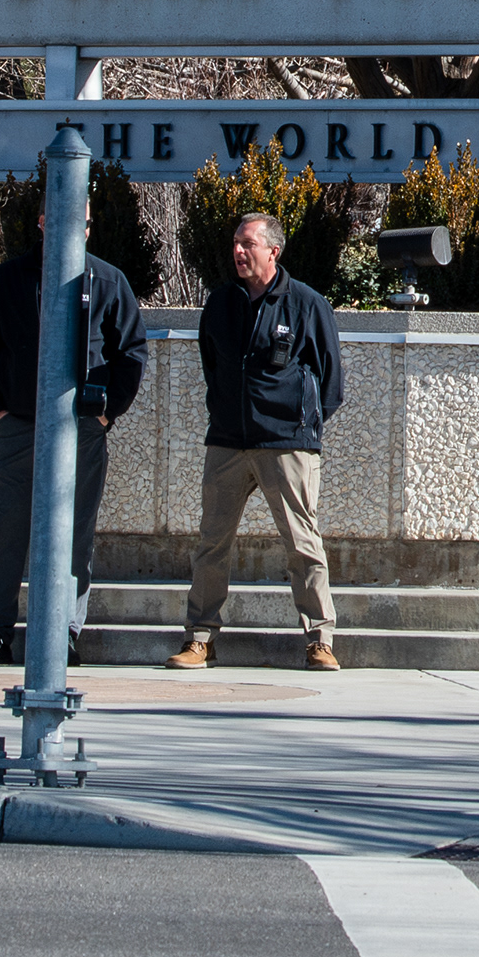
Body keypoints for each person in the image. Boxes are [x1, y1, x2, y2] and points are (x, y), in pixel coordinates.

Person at [0, 208, 150, 668]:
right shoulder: (8, 279)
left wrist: (106, 415)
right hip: (20, 425)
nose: (73, 230)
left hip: (82, 428)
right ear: (41, 221)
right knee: (7, 530)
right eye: (62, 220)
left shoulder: (107, 280)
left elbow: (131, 353)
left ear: (89, 228)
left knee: (75, 531)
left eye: (82, 222)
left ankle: (62, 630)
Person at [174, 210, 343, 670]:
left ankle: (319, 639)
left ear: (274, 250)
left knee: (302, 542)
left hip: (287, 443)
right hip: (228, 441)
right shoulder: (221, 303)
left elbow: (331, 383)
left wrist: (301, 424)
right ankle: (200, 639)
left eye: (248, 243)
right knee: (212, 543)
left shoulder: (307, 304)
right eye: (235, 243)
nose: (238, 251)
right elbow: (212, 365)